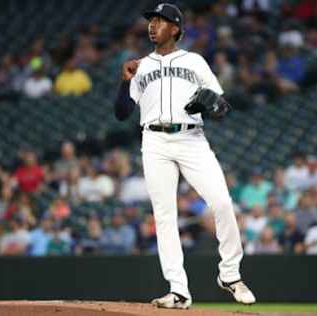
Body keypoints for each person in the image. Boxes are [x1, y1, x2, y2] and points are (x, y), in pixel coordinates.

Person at [114, 3, 255, 308]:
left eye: (160, 21)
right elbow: (122, 113)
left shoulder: (194, 61)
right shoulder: (141, 66)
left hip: (191, 138)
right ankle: (178, 290)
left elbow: (221, 106)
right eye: (151, 20)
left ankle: (230, 274)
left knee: (221, 201)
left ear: (175, 28)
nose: (152, 25)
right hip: (153, 141)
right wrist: (125, 81)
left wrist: (211, 105)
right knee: (165, 216)